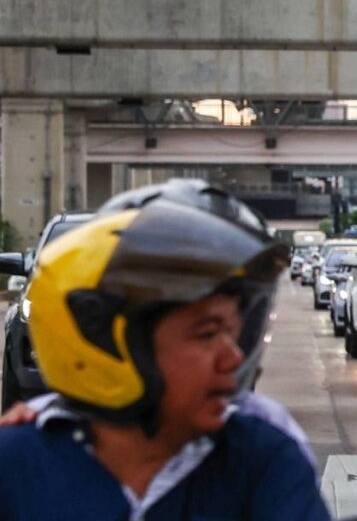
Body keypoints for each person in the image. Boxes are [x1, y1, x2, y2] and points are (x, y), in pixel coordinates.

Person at [0, 180, 331, 521]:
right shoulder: (17, 464)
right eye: (207, 334)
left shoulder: (263, 451)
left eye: (233, 332)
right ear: (105, 339)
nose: (233, 357)